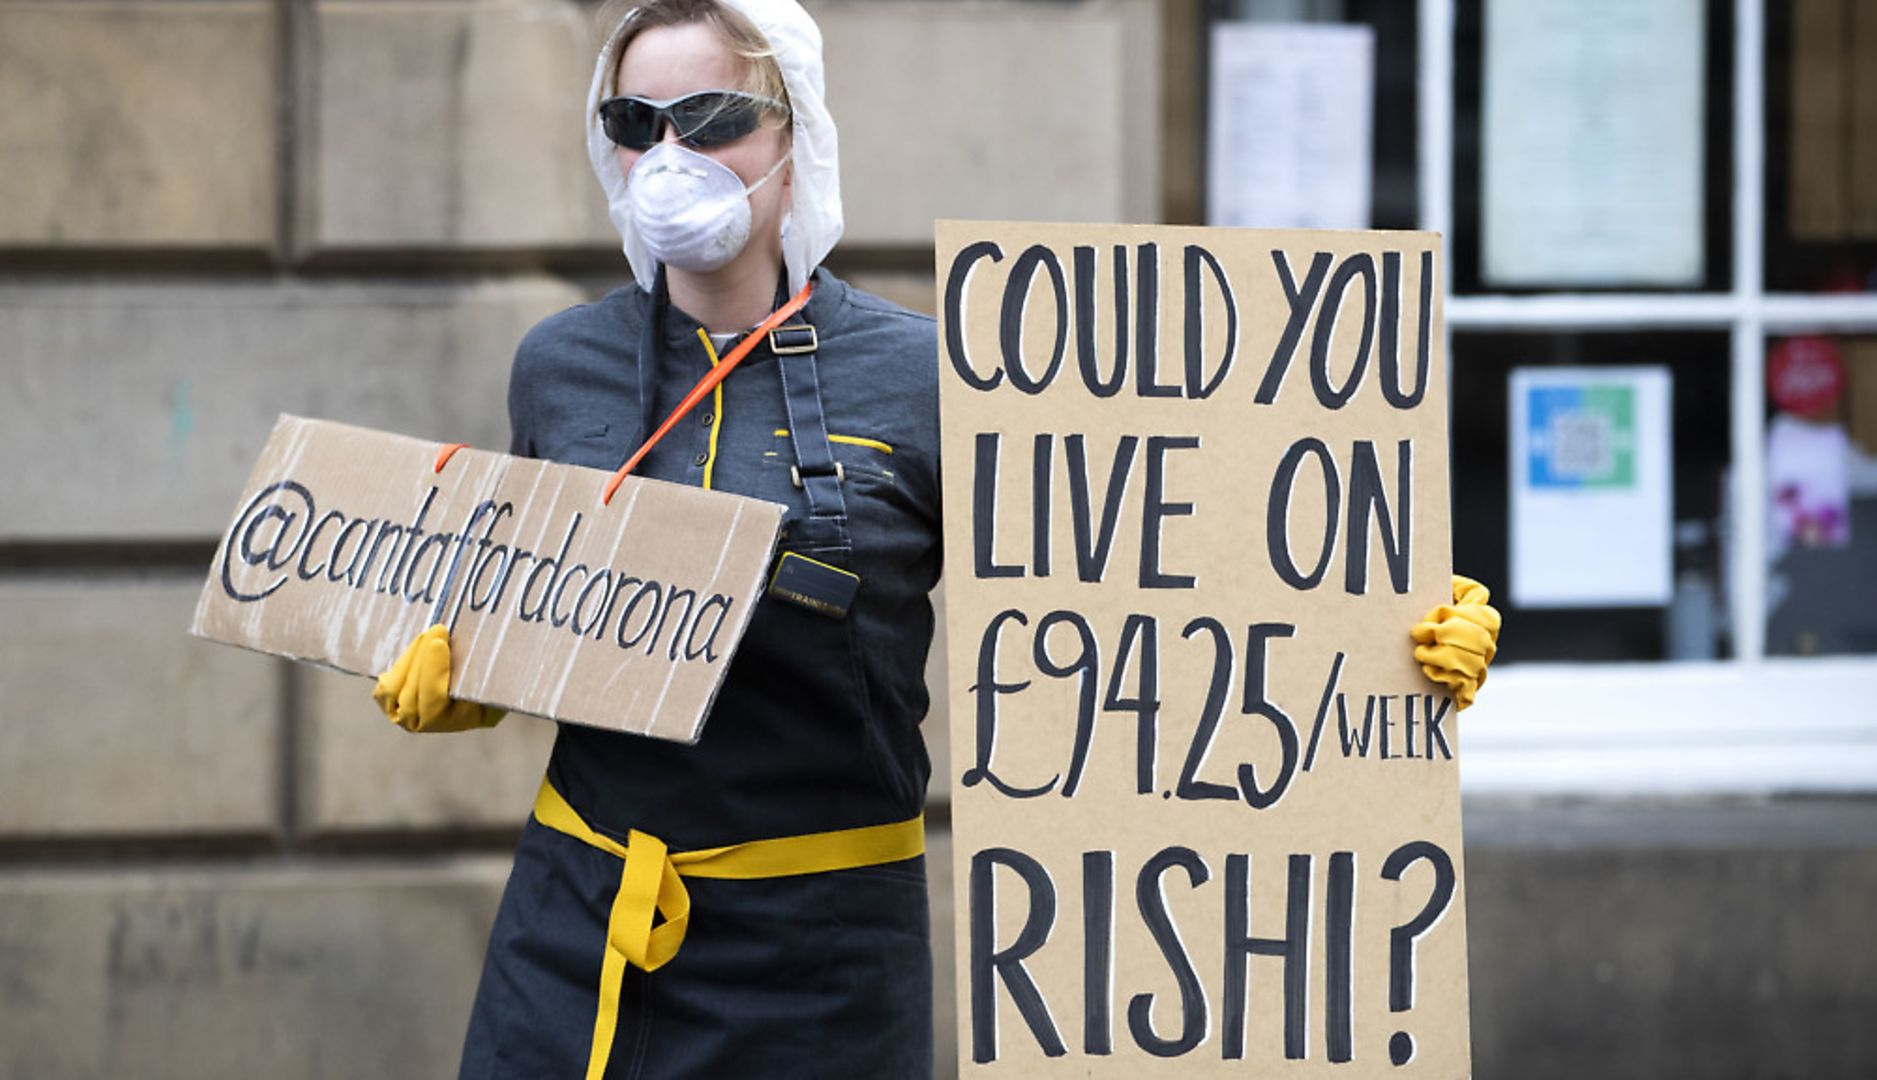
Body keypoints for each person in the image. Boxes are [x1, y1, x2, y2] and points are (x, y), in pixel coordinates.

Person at [370, 2, 1501, 1076]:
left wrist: (1379, 624)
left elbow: (1148, 579)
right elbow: (546, 606)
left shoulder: (931, 376)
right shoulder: (557, 366)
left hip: (822, 968)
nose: (670, 155)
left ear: (797, 136)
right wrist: (474, 668)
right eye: (635, 124)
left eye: (713, 121)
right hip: (575, 940)